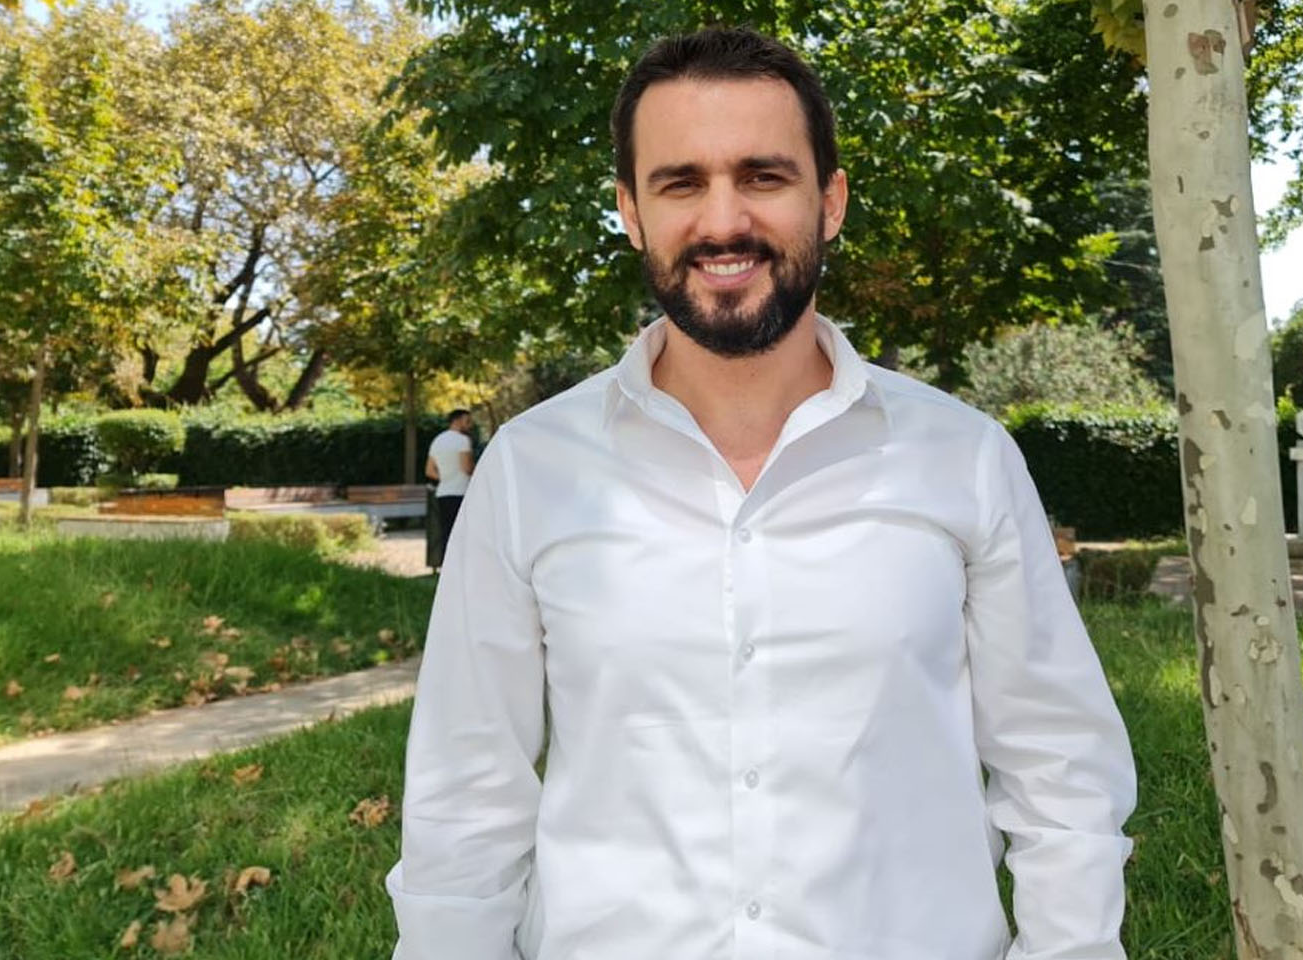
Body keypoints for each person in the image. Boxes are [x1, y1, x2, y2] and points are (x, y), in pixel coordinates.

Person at [387, 26, 1135, 960]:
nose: (723, 221)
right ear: (630, 212)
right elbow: (466, 793)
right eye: (681, 183)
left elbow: (1061, 772)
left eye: (764, 176)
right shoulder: (531, 471)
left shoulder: (964, 458)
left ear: (831, 201)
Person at [424, 409, 475, 566]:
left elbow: (429, 471)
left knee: (448, 532)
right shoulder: (462, 441)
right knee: (464, 533)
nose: (470, 425)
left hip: (443, 492)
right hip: (461, 492)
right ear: (457, 421)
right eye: (467, 421)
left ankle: (448, 567)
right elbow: (466, 468)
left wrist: (446, 477)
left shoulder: (437, 440)